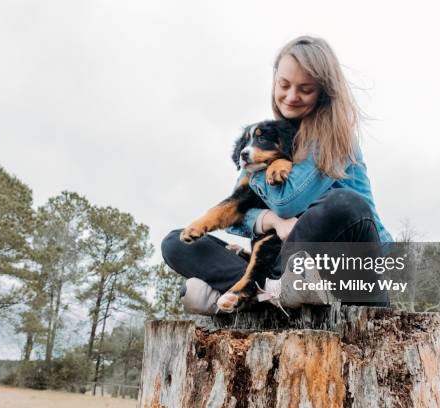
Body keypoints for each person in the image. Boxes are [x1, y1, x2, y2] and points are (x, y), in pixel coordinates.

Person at [161, 35, 393, 315]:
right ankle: (263, 294)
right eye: (284, 85)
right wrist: (271, 219)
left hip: (348, 264)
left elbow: (288, 202)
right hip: (288, 266)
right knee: (176, 242)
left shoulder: (333, 137)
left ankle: (244, 293)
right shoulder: (266, 137)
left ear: (323, 91)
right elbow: (237, 218)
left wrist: (259, 168)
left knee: (345, 203)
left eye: (305, 89)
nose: (291, 96)